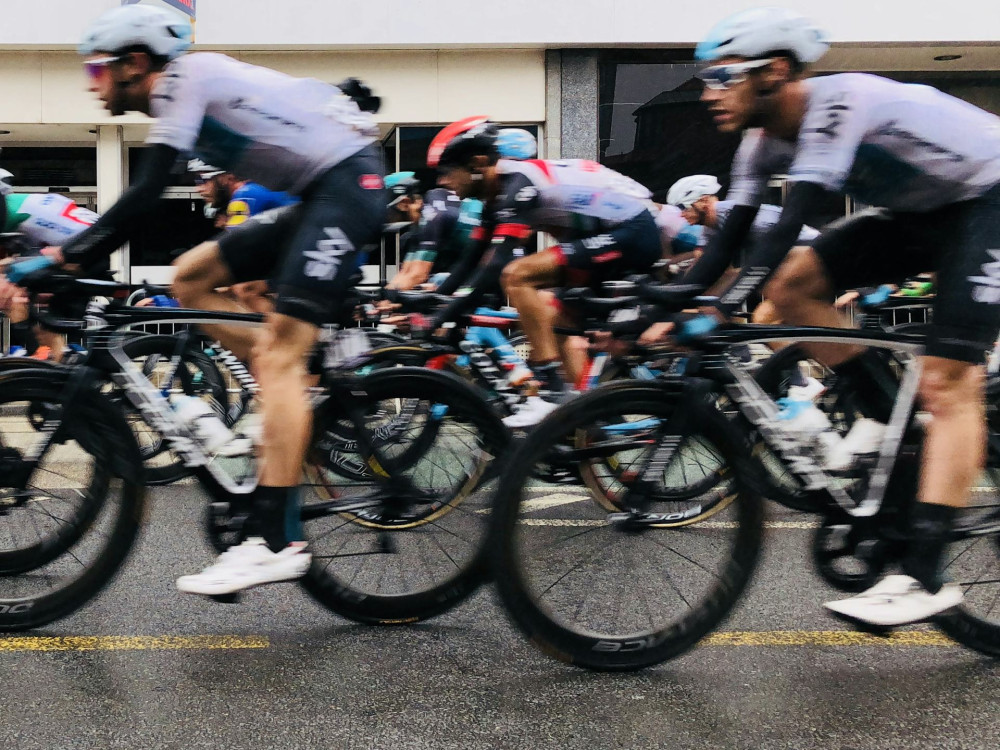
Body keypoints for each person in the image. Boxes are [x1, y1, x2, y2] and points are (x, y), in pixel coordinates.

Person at [1, 4, 386, 596]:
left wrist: (60, 258)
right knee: (190, 278)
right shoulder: (179, 91)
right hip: (319, 192)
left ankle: (275, 542)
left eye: (97, 69)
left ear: (135, 62)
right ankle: (284, 392)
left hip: (347, 186)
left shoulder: (184, 79)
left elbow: (147, 191)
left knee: (280, 355)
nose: (90, 83)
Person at [651, 6, 1000, 626]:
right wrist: (660, 303)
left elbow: (789, 223)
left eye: (724, 76)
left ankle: (923, 575)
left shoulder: (838, 104)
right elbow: (728, 242)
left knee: (948, 381)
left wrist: (719, 310)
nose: (708, 93)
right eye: (706, 78)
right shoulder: (759, 144)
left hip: (988, 199)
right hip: (923, 214)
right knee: (791, 288)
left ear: (775, 71)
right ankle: (886, 414)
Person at [427, 116, 661, 427]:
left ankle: (549, 390)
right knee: (556, 318)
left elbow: (495, 265)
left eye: (446, 172)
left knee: (517, 275)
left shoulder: (518, 185)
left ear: (478, 164)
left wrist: (443, 314)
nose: (441, 182)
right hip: (606, 233)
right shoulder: (495, 198)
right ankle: (590, 422)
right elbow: (469, 261)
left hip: (632, 231)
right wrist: (433, 300)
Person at [0, 175, 102, 360]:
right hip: (84, 247)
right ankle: (57, 352)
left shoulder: (8, 210)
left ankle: (35, 351)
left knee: (10, 292)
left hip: (80, 250)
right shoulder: (16, 203)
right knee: (21, 290)